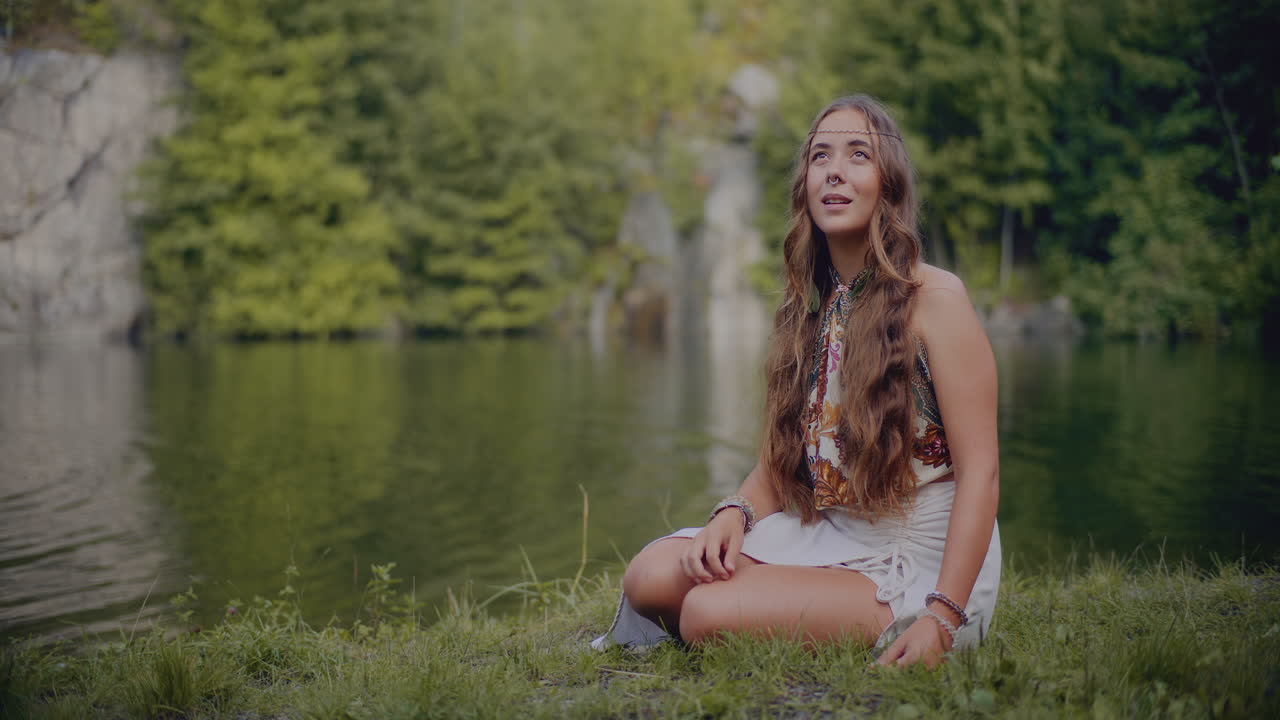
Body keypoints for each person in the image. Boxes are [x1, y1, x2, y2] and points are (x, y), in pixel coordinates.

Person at [592, 95, 1001, 669]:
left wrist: (944, 614)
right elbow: (782, 463)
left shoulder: (935, 299)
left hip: (921, 558)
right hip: (832, 531)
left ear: (888, 184)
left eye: (858, 155)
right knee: (649, 577)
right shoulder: (814, 307)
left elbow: (981, 473)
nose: (834, 170)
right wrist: (734, 514)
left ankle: (881, 611)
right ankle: (787, 599)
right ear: (805, 184)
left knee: (704, 613)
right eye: (820, 156)